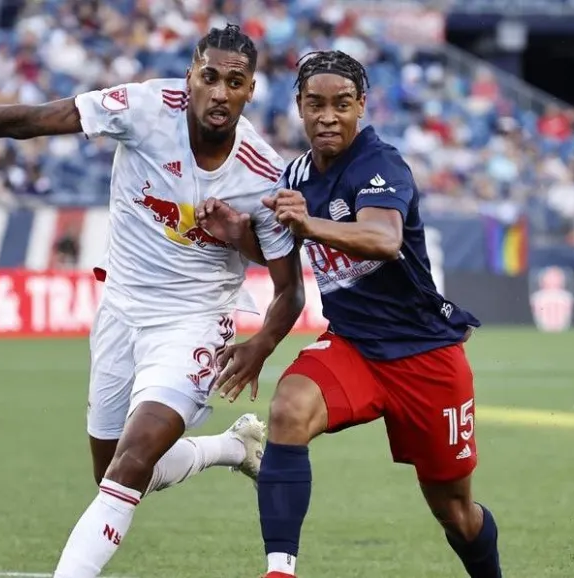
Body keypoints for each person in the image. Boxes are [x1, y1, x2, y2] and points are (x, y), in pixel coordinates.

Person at [0, 25, 305, 578]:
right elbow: (34, 120)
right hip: (119, 309)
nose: (219, 92)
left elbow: (290, 287)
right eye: (209, 77)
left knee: (131, 463)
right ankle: (232, 449)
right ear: (190, 75)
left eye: (234, 83)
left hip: (194, 321)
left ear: (251, 90)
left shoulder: (263, 173)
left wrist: (260, 340)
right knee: (116, 469)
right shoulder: (143, 107)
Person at [200, 50, 502, 578]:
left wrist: (309, 225)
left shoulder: (380, 164)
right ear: (298, 105)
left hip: (424, 354)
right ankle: (279, 571)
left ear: (361, 105)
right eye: (314, 104)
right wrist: (238, 236)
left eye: (341, 104)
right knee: (288, 409)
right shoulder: (295, 175)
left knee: (456, 513)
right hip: (353, 347)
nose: (327, 117)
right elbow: (284, 265)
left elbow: (383, 239)